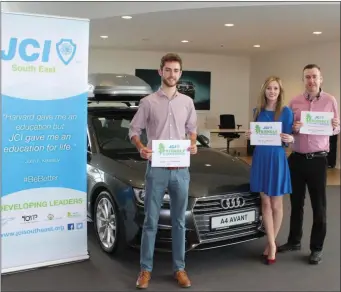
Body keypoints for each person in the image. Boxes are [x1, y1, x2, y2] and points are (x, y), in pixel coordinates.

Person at [129, 53, 198, 289]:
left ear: (180, 73)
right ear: (160, 72)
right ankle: (145, 270)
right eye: (168, 70)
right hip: (156, 169)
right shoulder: (148, 102)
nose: (172, 74)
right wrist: (141, 147)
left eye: (176, 70)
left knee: (179, 221)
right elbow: (134, 130)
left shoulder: (187, 103)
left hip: (181, 170)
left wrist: (194, 142)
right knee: (151, 220)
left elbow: (192, 130)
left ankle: (179, 268)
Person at [277, 64, 340, 264]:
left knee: (319, 206)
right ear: (303, 80)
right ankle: (294, 240)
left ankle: (316, 248)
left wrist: (335, 127)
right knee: (296, 204)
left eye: (314, 77)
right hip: (296, 159)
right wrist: (293, 128)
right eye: (307, 77)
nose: (311, 81)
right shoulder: (294, 102)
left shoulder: (330, 101)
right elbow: (289, 131)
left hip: (318, 160)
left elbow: (336, 128)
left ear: (321, 79)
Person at [245, 76, 294, 265]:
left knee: (276, 205)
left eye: (275, 88)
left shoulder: (286, 112)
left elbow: (287, 140)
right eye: (269, 88)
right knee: (265, 203)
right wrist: (251, 135)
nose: (272, 92)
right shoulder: (257, 111)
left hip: (276, 159)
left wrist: (290, 139)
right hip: (261, 159)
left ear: (280, 91)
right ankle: (272, 243)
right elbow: (256, 136)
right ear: (264, 90)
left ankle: (271, 241)